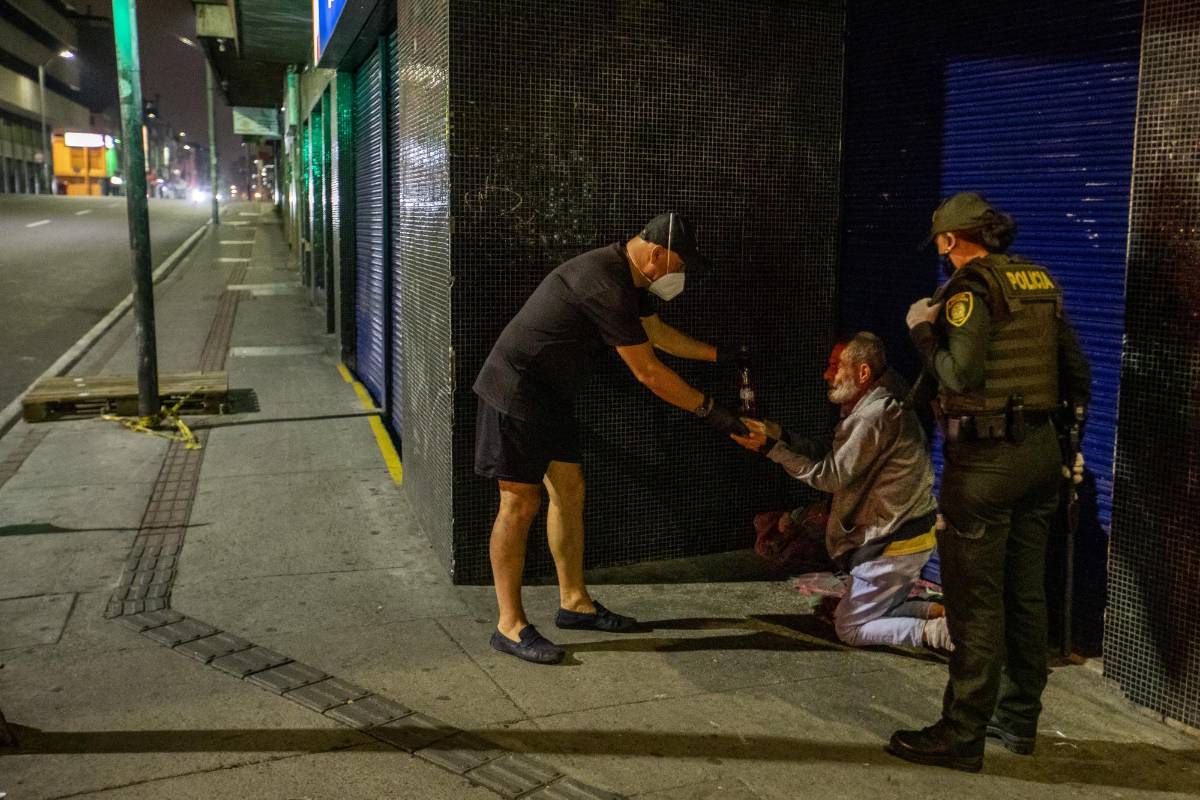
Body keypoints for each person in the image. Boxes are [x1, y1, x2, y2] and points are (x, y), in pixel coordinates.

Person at [473, 212, 748, 665]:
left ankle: (574, 603)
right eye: (678, 266)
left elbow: (656, 334)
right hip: (515, 392)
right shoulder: (605, 283)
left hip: (552, 395)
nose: (679, 276)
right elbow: (647, 371)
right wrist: (712, 412)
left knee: (569, 490)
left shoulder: (628, 276)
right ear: (657, 254)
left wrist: (721, 354)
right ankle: (509, 625)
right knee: (518, 503)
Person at [887, 192, 1091, 772]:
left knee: (976, 604)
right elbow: (1078, 373)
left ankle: (961, 734)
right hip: (1039, 457)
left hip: (985, 464)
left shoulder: (969, 292)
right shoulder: (1037, 282)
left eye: (941, 244)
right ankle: (1017, 720)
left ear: (951, 240)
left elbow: (960, 372)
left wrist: (922, 331)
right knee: (1024, 594)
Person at [732, 333, 950, 650]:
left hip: (892, 544)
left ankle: (940, 634)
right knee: (876, 610)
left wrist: (770, 448)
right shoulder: (876, 398)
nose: (827, 374)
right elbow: (831, 455)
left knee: (849, 628)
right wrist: (778, 435)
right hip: (904, 537)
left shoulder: (874, 414)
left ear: (862, 372)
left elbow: (830, 475)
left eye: (836, 366)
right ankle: (940, 613)